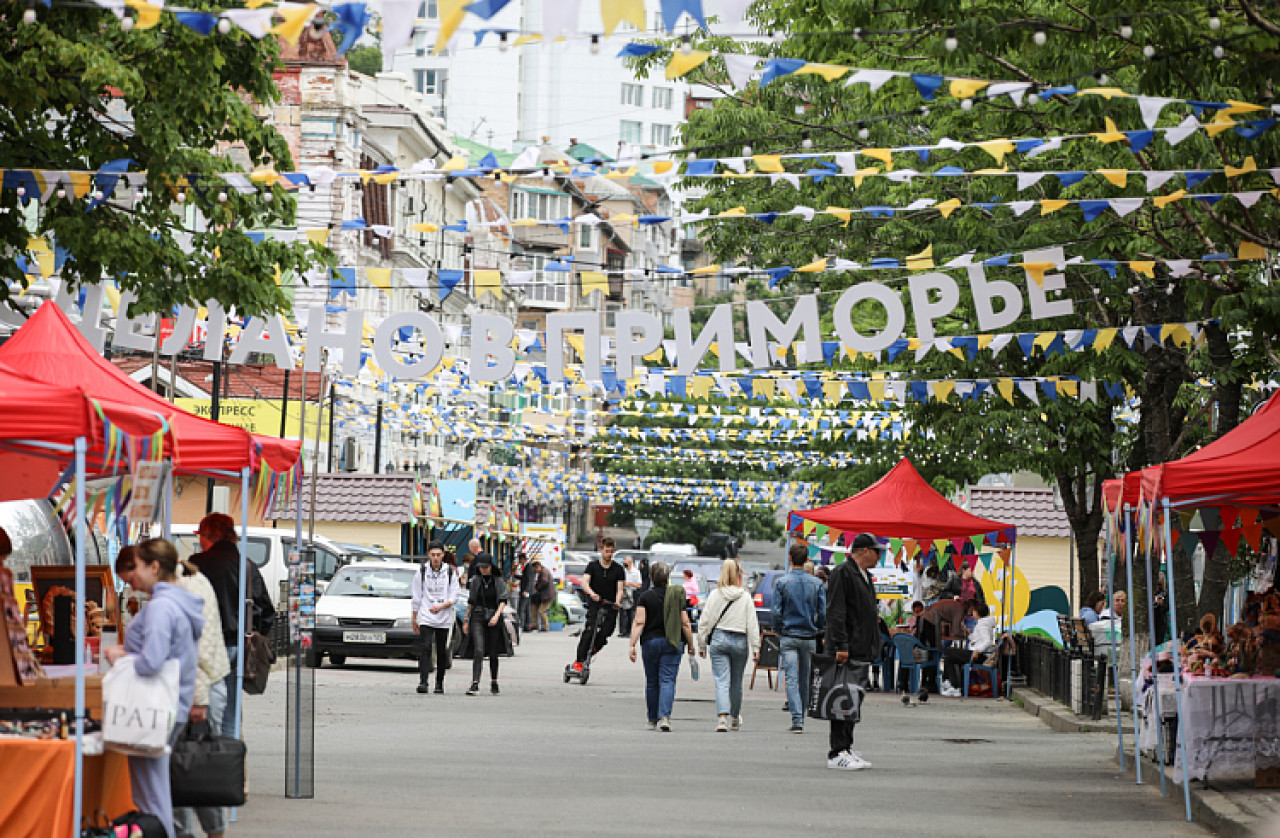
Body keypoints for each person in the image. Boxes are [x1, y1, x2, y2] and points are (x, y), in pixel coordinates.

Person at [103, 539, 204, 838]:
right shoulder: (179, 603)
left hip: (153, 706)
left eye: (138, 567)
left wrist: (120, 656)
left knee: (150, 792)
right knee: (155, 786)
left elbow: (151, 661)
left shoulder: (162, 607)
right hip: (172, 704)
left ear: (154, 567)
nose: (135, 575)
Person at [188, 513, 275, 739]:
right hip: (239, 644)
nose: (200, 542)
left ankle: (211, 748)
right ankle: (230, 755)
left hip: (206, 645)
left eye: (201, 537)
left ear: (209, 536)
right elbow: (266, 611)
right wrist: (253, 635)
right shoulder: (247, 566)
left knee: (206, 699)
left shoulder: (196, 565)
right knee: (232, 707)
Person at [824, 533, 883, 771]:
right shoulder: (842, 573)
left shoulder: (865, 576)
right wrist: (841, 645)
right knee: (842, 698)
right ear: (865, 551)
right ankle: (837, 751)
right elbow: (835, 612)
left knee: (853, 699)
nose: (880, 556)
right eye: (877, 551)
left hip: (861, 649)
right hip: (847, 649)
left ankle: (846, 746)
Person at [628, 561, 695, 731]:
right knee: (667, 681)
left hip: (650, 642)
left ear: (651, 578)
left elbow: (639, 621)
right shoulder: (675, 596)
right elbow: (685, 622)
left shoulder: (645, 597)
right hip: (672, 642)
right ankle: (665, 717)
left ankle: (651, 720)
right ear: (667, 578)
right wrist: (691, 644)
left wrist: (632, 644)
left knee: (651, 682)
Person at [698, 559, 760, 732]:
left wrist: (702, 644)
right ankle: (735, 717)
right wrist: (756, 647)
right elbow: (752, 624)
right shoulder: (745, 596)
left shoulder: (714, 595)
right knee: (736, 682)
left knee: (721, 680)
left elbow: (705, 621)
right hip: (740, 639)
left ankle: (722, 719)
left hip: (719, 637)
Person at [772, 544, 826, 733]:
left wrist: (778, 629)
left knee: (791, 678)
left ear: (789, 558)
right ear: (806, 560)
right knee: (805, 678)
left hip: (789, 635)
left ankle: (797, 720)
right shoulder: (817, 583)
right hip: (809, 636)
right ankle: (801, 715)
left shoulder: (781, 582)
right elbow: (822, 612)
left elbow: (776, 612)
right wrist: (819, 629)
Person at [411, 541, 460, 694]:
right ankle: (423, 681)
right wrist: (414, 617)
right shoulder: (422, 571)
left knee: (441, 650)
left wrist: (442, 606)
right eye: (433, 555)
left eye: (439, 555)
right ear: (429, 555)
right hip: (426, 615)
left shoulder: (450, 572)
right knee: (425, 647)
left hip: (443, 617)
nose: (436, 558)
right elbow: (416, 595)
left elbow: (454, 595)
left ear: (443, 555)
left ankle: (439, 683)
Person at [458, 553, 510, 695]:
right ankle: (475, 683)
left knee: (493, 652)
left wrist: (496, 616)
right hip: (478, 616)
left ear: (490, 566)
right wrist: (466, 620)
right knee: (479, 650)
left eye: (485, 567)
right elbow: (471, 601)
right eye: (481, 567)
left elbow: (503, 600)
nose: (483, 570)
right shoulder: (476, 580)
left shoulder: (498, 580)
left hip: (494, 615)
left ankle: (494, 681)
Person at [571, 538, 625, 672]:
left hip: (610, 605)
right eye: (607, 551)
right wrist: (592, 593)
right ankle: (579, 660)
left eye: (611, 552)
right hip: (595, 603)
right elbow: (584, 582)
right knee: (589, 631)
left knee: (606, 632)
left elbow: (620, 589)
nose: (609, 554)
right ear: (601, 550)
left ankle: (592, 651)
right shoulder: (592, 566)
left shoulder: (618, 569)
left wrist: (618, 601)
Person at [942, 602, 999, 696]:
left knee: (948, 652)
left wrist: (977, 651)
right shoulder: (984, 623)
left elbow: (987, 641)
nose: (972, 613)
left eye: (973, 611)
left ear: (977, 612)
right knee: (949, 658)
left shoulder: (982, 624)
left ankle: (954, 685)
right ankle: (954, 686)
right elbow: (978, 640)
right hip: (978, 653)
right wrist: (969, 633)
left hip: (979, 655)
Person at [618, 554, 642, 637]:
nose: (625, 564)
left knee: (630, 612)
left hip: (632, 592)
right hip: (623, 591)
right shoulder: (623, 571)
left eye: (626, 563)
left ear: (630, 563)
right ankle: (622, 630)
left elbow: (639, 585)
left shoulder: (636, 572)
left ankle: (629, 631)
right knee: (622, 611)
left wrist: (630, 583)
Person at [531, 560, 554, 631]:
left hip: (547, 595)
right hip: (543, 595)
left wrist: (537, 588)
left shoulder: (544, 572)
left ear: (538, 567)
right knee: (535, 608)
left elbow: (544, 581)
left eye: (535, 569)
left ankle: (545, 627)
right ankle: (535, 625)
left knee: (542, 611)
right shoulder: (543, 571)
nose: (535, 571)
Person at [517, 552, 535, 631]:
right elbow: (524, 578)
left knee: (521, 608)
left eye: (519, 560)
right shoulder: (527, 567)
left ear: (523, 559)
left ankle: (521, 625)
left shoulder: (529, 567)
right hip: (528, 591)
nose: (519, 562)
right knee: (527, 608)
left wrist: (526, 590)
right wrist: (515, 576)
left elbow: (529, 580)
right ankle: (527, 625)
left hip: (526, 592)